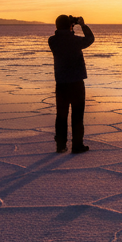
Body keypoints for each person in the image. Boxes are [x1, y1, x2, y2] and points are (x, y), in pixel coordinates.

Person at [48, 14, 94, 153]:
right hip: (76, 83)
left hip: (61, 83)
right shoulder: (74, 41)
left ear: (56, 26)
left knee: (61, 115)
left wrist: (70, 26)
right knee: (77, 115)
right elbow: (90, 39)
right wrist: (82, 25)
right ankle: (77, 145)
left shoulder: (52, 41)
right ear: (69, 26)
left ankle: (61, 145)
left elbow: (63, 38)